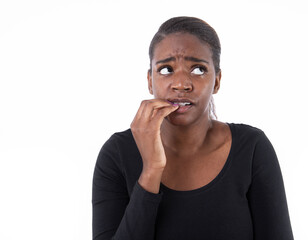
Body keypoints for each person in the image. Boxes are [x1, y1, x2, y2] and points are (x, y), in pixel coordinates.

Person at [92, 16, 294, 240]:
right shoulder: (117, 154)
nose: (180, 84)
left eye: (198, 69)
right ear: (150, 81)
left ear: (216, 81)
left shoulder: (252, 149)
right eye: (166, 69)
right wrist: (151, 170)